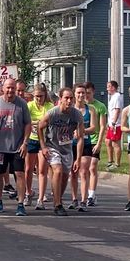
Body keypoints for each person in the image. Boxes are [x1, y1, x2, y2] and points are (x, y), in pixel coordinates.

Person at [0, 79, 32, 215]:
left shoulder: (22, 104)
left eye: (12, 88)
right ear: (3, 88)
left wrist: (25, 143)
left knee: (20, 174)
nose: (10, 90)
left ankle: (21, 203)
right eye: (8, 88)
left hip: (17, 147)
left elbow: (27, 124)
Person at [38, 87, 85, 216]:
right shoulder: (53, 113)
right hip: (52, 146)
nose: (69, 101)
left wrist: (79, 158)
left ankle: (57, 197)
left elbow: (80, 137)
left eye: (71, 98)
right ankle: (58, 204)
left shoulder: (76, 115)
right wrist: (43, 146)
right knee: (57, 171)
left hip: (67, 148)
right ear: (61, 99)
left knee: (65, 176)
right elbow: (40, 127)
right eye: (66, 98)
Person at [70, 84, 98, 210]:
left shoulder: (90, 109)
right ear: (74, 94)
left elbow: (93, 128)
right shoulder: (70, 109)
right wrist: (72, 132)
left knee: (84, 171)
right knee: (73, 173)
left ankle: (83, 200)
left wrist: (82, 131)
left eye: (83, 93)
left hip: (86, 144)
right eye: (79, 93)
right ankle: (74, 198)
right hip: (71, 144)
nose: (81, 95)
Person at [83, 82, 107, 206]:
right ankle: (85, 194)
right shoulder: (81, 106)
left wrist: (99, 143)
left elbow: (103, 126)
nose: (86, 95)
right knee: (84, 169)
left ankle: (92, 195)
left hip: (94, 139)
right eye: (84, 93)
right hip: (82, 140)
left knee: (92, 167)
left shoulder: (100, 106)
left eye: (88, 93)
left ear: (93, 92)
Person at [105, 80, 123, 170]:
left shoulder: (117, 96)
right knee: (107, 142)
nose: (107, 88)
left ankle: (117, 163)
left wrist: (113, 123)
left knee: (115, 144)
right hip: (110, 124)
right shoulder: (112, 97)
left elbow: (117, 110)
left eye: (108, 86)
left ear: (113, 87)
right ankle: (110, 160)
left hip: (116, 124)